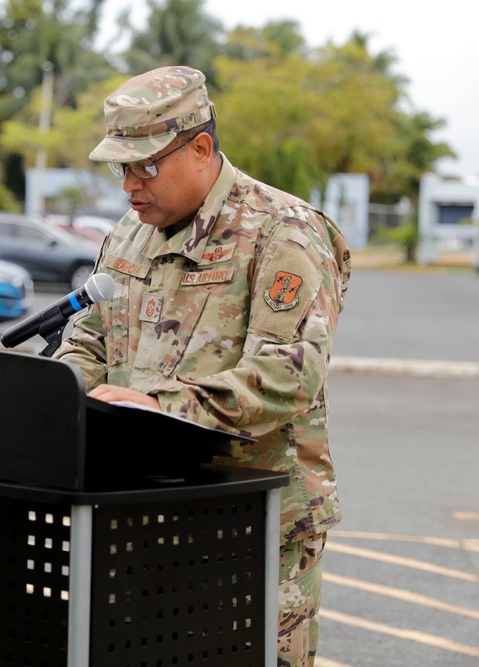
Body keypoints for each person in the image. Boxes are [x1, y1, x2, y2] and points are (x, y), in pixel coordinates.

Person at [53, 65, 351, 667]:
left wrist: (158, 409)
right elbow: (86, 341)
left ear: (201, 149)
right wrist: (51, 399)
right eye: (121, 167)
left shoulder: (282, 232)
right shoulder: (128, 236)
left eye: (147, 165)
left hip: (253, 521)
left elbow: (289, 373)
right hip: (137, 510)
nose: (130, 185)